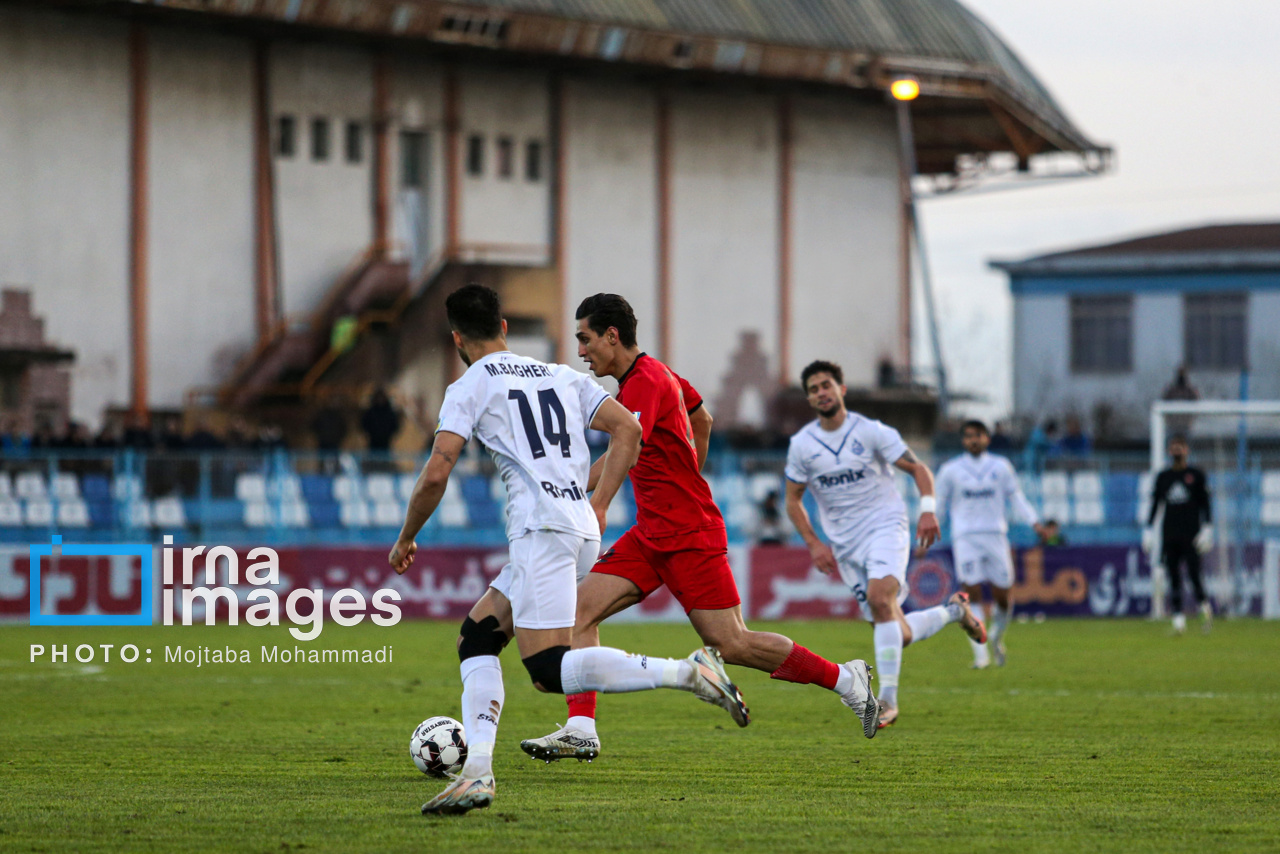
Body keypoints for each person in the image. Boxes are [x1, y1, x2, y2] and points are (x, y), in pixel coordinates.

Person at [389, 285, 750, 816]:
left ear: (457, 339)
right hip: (579, 526)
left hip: (542, 531)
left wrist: (406, 536)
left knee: (548, 671)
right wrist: (599, 503)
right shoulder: (561, 375)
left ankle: (689, 672)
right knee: (477, 639)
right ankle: (477, 773)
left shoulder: (468, 386)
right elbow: (628, 428)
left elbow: (437, 470)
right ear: (505, 327)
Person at [522, 294, 879, 762]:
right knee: (578, 615)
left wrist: (597, 501)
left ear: (612, 336)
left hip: (688, 534)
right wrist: (688, 471)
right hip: (652, 533)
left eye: (585, 340)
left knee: (731, 644)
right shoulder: (659, 374)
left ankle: (845, 679)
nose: (582, 352)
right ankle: (580, 727)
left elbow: (625, 446)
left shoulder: (644, 383)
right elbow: (701, 418)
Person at [783, 360, 986, 729]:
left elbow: (919, 469)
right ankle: (954, 612)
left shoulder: (872, 431)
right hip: (845, 547)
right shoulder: (802, 445)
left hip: (885, 526)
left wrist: (927, 510)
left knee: (880, 599)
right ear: (809, 399)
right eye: (813, 389)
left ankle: (887, 702)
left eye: (826, 384)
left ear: (841, 389)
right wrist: (813, 543)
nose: (821, 393)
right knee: (893, 627)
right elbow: (792, 500)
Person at [936, 420, 1045, 669]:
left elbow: (1016, 498)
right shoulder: (951, 470)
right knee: (971, 591)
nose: (973, 440)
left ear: (987, 438)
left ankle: (996, 636)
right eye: (968, 436)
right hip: (966, 537)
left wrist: (1035, 523)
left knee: (1003, 596)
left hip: (995, 535)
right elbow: (940, 506)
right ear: (963, 441)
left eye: (978, 435)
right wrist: (928, 535)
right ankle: (980, 654)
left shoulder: (1001, 466)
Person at [1144, 435, 1213, 634]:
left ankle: (1205, 610)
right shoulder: (1163, 477)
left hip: (1191, 535)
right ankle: (1178, 620)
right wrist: (1148, 529)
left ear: (1186, 450)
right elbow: (1156, 503)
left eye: (1180, 447)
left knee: (1194, 575)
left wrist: (1207, 528)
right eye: (1173, 447)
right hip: (1170, 534)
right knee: (1173, 576)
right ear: (1168, 451)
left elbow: (1205, 503)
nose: (1176, 451)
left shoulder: (1196, 475)